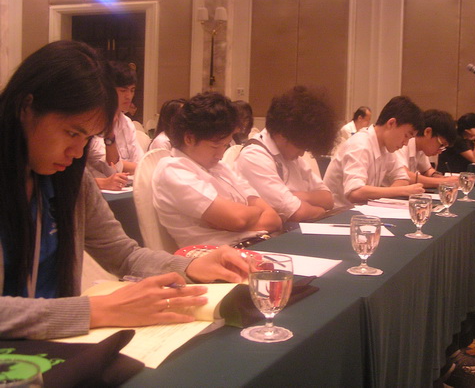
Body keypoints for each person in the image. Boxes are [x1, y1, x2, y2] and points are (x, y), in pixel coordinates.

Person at [0, 41, 248, 340]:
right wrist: (95, 311)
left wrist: (192, 266)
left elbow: (124, 255)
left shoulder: (71, 181)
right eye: (72, 132)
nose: (77, 153)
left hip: (57, 344)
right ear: (26, 109)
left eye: (87, 138)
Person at [152, 93, 281, 247]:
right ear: (189, 138)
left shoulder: (219, 167)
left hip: (256, 243)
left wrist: (238, 219)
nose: (220, 155)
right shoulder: (174, 170)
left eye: (225, 145)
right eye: (215, 146)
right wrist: (252, 212)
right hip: (220, 253)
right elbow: (238, 219)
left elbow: (274, 219)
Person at [235, 86, 337, 222]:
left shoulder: (290, 156)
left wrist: (299, 196)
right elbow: (298, 213)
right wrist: (319, 210)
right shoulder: (254, 156)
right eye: (300, 147)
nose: (302, 154)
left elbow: (328, 199)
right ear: (282, 135)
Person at [323, 96, 425, 209]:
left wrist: (393, 192)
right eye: (406, 135)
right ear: (391, 123)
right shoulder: (360, 144)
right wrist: (401, 190)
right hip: (338, 214)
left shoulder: (386, 147)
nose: (405, 143)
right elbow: (355, 192)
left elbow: (403, 178)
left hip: (362, 211)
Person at [86, 61, 144, 180]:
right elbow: (110, 168)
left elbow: (140, 160)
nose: (129, 96)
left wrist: (144, 166)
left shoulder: (127, 122)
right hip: (100, 188)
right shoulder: (95, 122)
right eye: (123, 90)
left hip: (127, 185)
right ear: (108, 92)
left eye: (132, 90)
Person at [395, 109, 459, 188]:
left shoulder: (421, 147)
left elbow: (427, 170)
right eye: (441, 145)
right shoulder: (403, 143)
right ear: (428, 132)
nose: (440, 151)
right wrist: (443, 182)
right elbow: (404, 175)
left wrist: (438, 176)